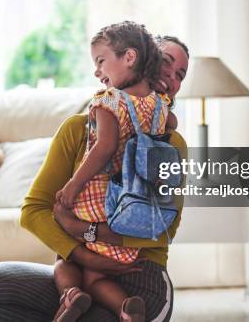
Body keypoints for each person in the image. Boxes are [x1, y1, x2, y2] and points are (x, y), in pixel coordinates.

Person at [0, 34, 189, 322]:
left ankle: (112, 309)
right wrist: (83, 254)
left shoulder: (170, 142)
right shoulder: (78, 129)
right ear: (138, 62)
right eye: (165, 62)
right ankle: (71, 300)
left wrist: (80, 227)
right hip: (79, 270)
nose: (170, 76)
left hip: (141, 276)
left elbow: (161, 228)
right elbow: (33, 211)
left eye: (180, 74)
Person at [52, 22, 172, 322]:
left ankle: (71, 295)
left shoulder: (108, 101)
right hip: (134, 206)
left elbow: (104, 147)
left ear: (129, 57)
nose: (96, 71)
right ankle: (126, 307)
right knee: (95, 274)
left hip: (98, 200)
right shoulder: (159, 105)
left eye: (100, 61)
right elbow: (171, 127)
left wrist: (72, 186)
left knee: (65, 257)